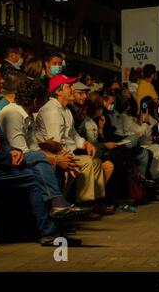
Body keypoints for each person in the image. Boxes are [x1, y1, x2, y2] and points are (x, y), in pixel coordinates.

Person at [0, 60, 81, 246]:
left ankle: (51, 229)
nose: (2, 82)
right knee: (38, 163)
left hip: (0, 163)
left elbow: (4, 143)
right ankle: (57, 212)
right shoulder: (11, 113)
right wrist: (10, 155)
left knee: (35, 177)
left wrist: (11, 152)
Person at [34, 74, 112, 210]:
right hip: (55, 153)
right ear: (58, 92)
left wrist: (85, 144)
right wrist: (67, 158)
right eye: (68, 86)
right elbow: (56, 143)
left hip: (66, 150)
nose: (72, 89)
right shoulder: (52, 110)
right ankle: (85, 203)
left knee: (96, 161)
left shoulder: (65, 109)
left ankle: (96, 201)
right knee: (88, 162)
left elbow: (73, 134)